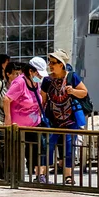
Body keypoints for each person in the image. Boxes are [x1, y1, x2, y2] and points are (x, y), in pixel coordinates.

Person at [41, 50, 88, 185]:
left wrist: (72, 91)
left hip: (70, 118)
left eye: (53, 63)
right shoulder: (47, 80)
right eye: (49, 62)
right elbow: (43, 99)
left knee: (69, 147)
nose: (50, 65)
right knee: (48, 146)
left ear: (61, 64)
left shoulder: (72, 77)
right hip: (53, 119)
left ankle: (68, 175)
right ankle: (43, 174)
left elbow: (84, 92)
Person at [3, 57, 48, 183]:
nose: (39, 76)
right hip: (19, 126)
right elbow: (7, 99)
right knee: (17, 152)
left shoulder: (36, 82)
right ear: (30, 71)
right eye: (38, 73)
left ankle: (40, 176)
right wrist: (8, 119)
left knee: (40, 149)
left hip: (35, 123)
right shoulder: (19, 82)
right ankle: (14, 177)